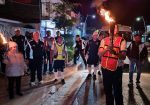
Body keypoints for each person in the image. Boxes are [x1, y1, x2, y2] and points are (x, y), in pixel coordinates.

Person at [99, 24, 126, 105]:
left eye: (115, 28)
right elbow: (99, 54)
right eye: (112, 28)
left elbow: (123, 57)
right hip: (105, 69)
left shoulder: (122, 40)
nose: (113, 29)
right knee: (107, 91)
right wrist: (107, 49)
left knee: (117, 92)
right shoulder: (104, 40)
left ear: (117, 30)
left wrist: (114, 52)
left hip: (116, 70)